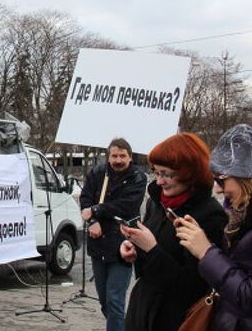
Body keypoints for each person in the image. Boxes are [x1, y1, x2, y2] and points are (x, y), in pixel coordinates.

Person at [120, 132, 228, 331]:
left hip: (176, 320)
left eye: (166, 174)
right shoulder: (157, 202)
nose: (159, 181)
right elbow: (147, 262)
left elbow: (192, 288)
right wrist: (134, 248)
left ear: (190, 174)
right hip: (142, 312)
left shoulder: (210, 216)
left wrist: (151, 250)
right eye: (156, 172)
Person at [175, 124, 252, 330]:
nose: (217, 189)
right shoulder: (238, 216)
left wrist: (207, 252)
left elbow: (247, 296)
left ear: (246, 178)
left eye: (221, 179)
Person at [80, 138, 147, 331]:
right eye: (114, 156)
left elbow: (127, 206)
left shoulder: (138, 177)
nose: (118, 160)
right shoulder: (97, 173)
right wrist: (92, 221)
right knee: (105, 302)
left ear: (130, 156)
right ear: (108, 156)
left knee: (115, 300)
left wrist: (96, 210)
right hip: (98, 244)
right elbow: (85, 199)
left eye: (122, 156)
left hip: (123, 244)